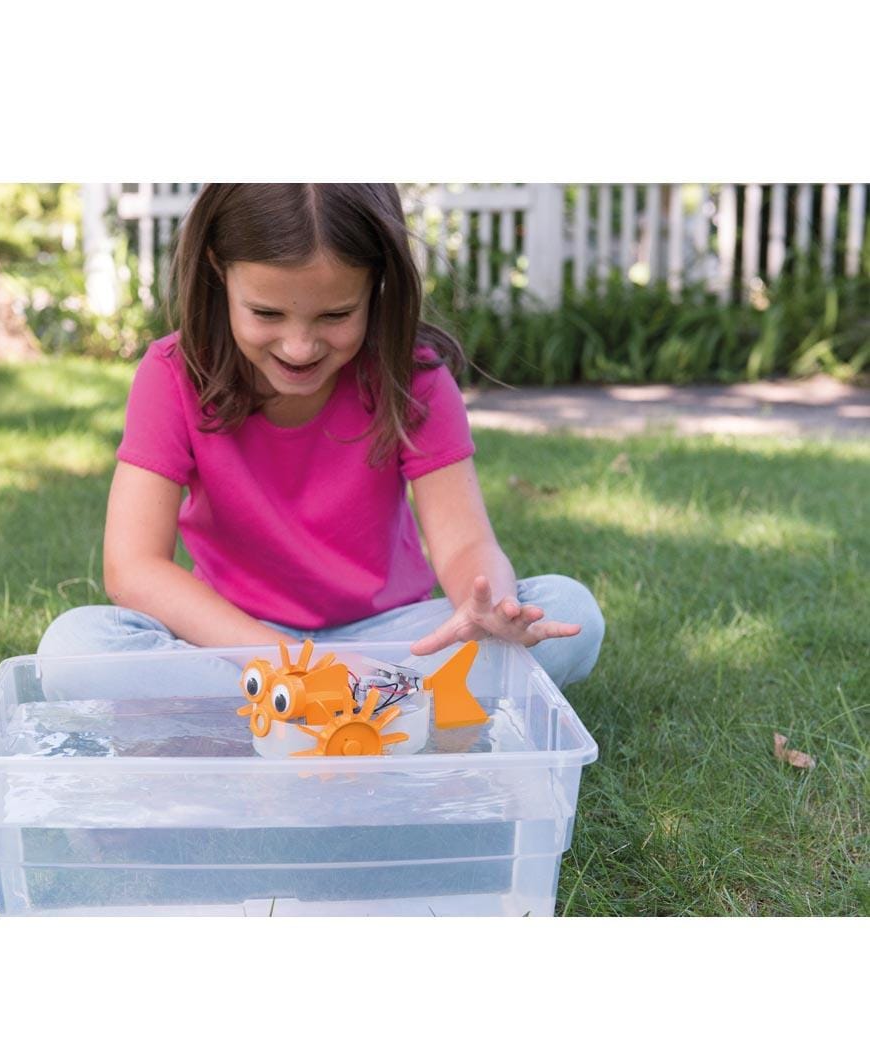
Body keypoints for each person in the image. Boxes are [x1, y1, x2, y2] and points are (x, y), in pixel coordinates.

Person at [39, 184, 604, 697]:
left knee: (569, 611)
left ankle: (302, 706)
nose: (300, 346)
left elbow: (464, 547)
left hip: (388, 642)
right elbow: (133, 568)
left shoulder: (414, 379)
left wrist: (492, 609)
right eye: (266, 312)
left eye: (336, 314)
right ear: (219, 270)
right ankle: (365, 702)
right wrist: (292, 664)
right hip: (239, 642)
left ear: (376, 285)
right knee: (72, 650)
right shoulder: (171, 374)